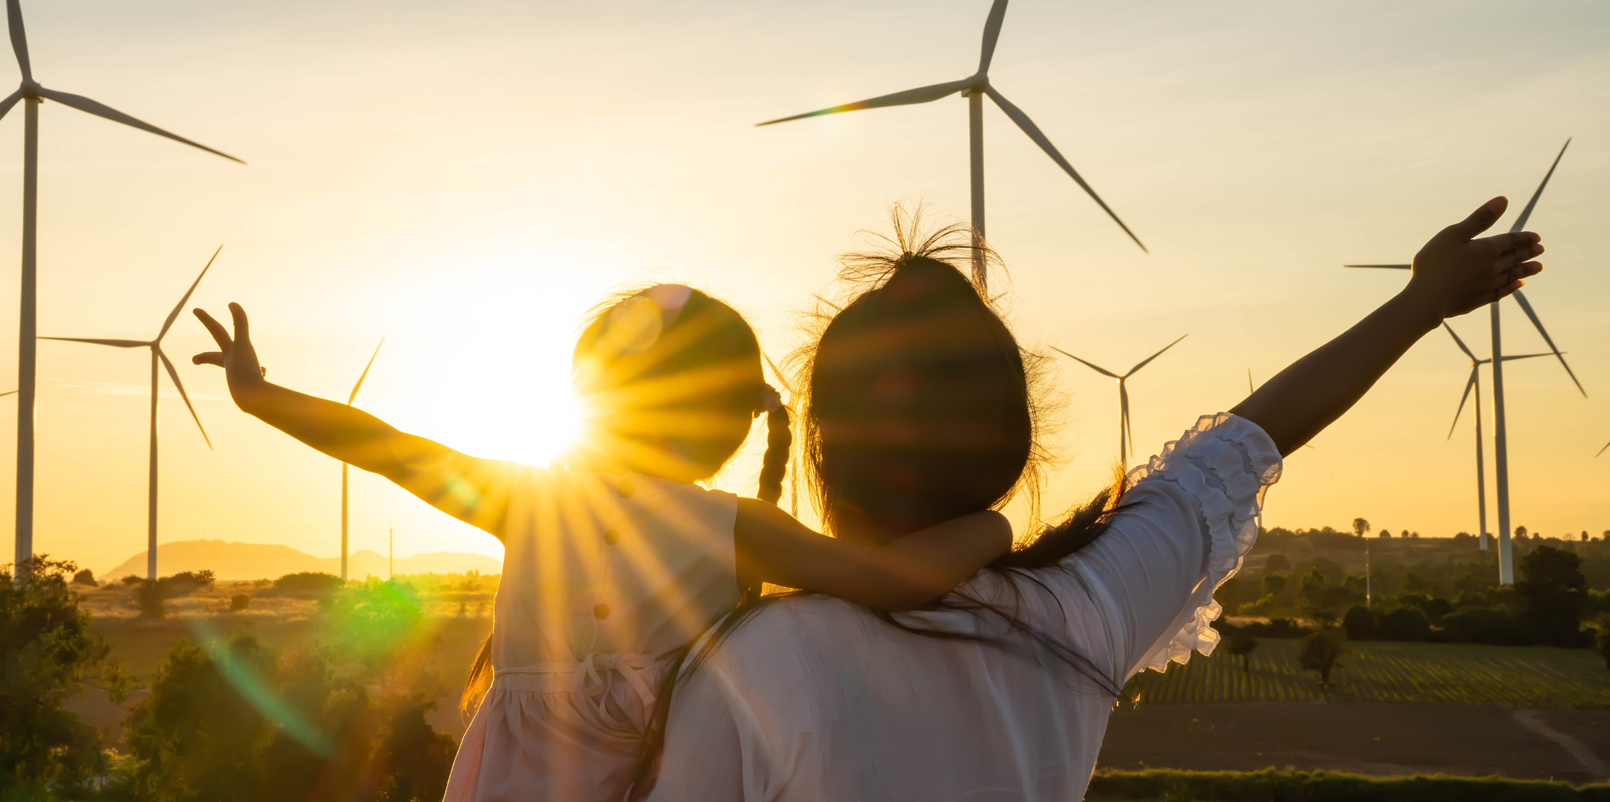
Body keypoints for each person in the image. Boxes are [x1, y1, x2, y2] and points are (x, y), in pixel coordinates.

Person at [637, 198, 1545, 801]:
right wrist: (1421, 301)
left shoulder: (754, 661)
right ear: (1011, 443)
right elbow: (1252, 437)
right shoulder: (1080, 611)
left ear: (823, 449)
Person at [190, 282, 1013, 802]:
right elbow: (888, 579)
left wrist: (260, 396)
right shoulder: (730, 527)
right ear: (726, 422)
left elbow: (382, 446)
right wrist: (991, 525)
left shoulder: (530, 500)